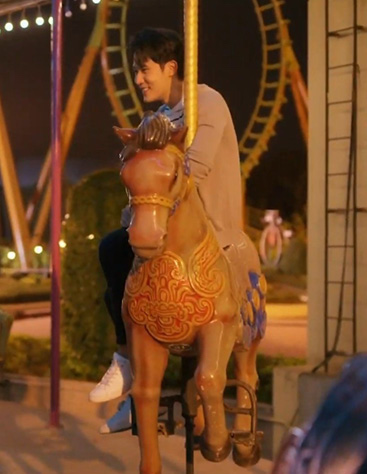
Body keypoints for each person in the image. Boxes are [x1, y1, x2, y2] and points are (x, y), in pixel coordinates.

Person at [90, 27, 244, 434]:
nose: (138, 79)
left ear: (171, 67)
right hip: (166, 231)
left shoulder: (207, 103)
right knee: (116, 255)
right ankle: (129, 368)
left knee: (122, 252)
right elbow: (143, 179)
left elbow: (194, 170)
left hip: (208, 232)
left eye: (144, 69)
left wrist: (161, 154)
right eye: (136, 70)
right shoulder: (155, 119)